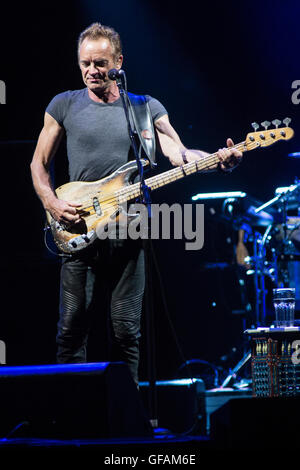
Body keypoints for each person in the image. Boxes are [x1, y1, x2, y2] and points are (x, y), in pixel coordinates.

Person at [30, 22, 242, 386]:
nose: (91, 71)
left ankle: (127, 416)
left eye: (100, 63)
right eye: (85, 63)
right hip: (78, 225)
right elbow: (38, 163)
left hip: (130, 231)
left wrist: (215, 158)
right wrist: (51, 202)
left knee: (127, 332)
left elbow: (179, 152)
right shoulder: (63, 104)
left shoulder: (144, 107)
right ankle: (73, 418)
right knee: (71, 332)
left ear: (119, 62)